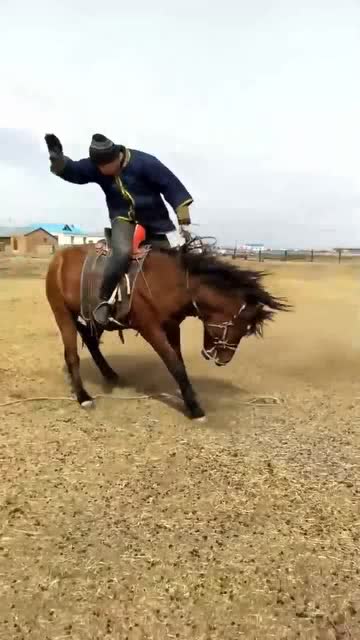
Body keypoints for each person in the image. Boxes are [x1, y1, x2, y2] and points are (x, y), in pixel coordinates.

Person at [44, 133, 193, 326]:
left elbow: (171, 186)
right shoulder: (96, 167)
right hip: (122, 218)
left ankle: (188, 299)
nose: (102, 171)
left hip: (155, 218)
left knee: (178, 254)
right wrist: (58, 161)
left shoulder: (145, 163)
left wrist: (184, 221)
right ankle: (104, 301)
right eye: (98, 168)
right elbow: (75, 171)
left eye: (105, 167)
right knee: (121, 252)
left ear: (117, 157)